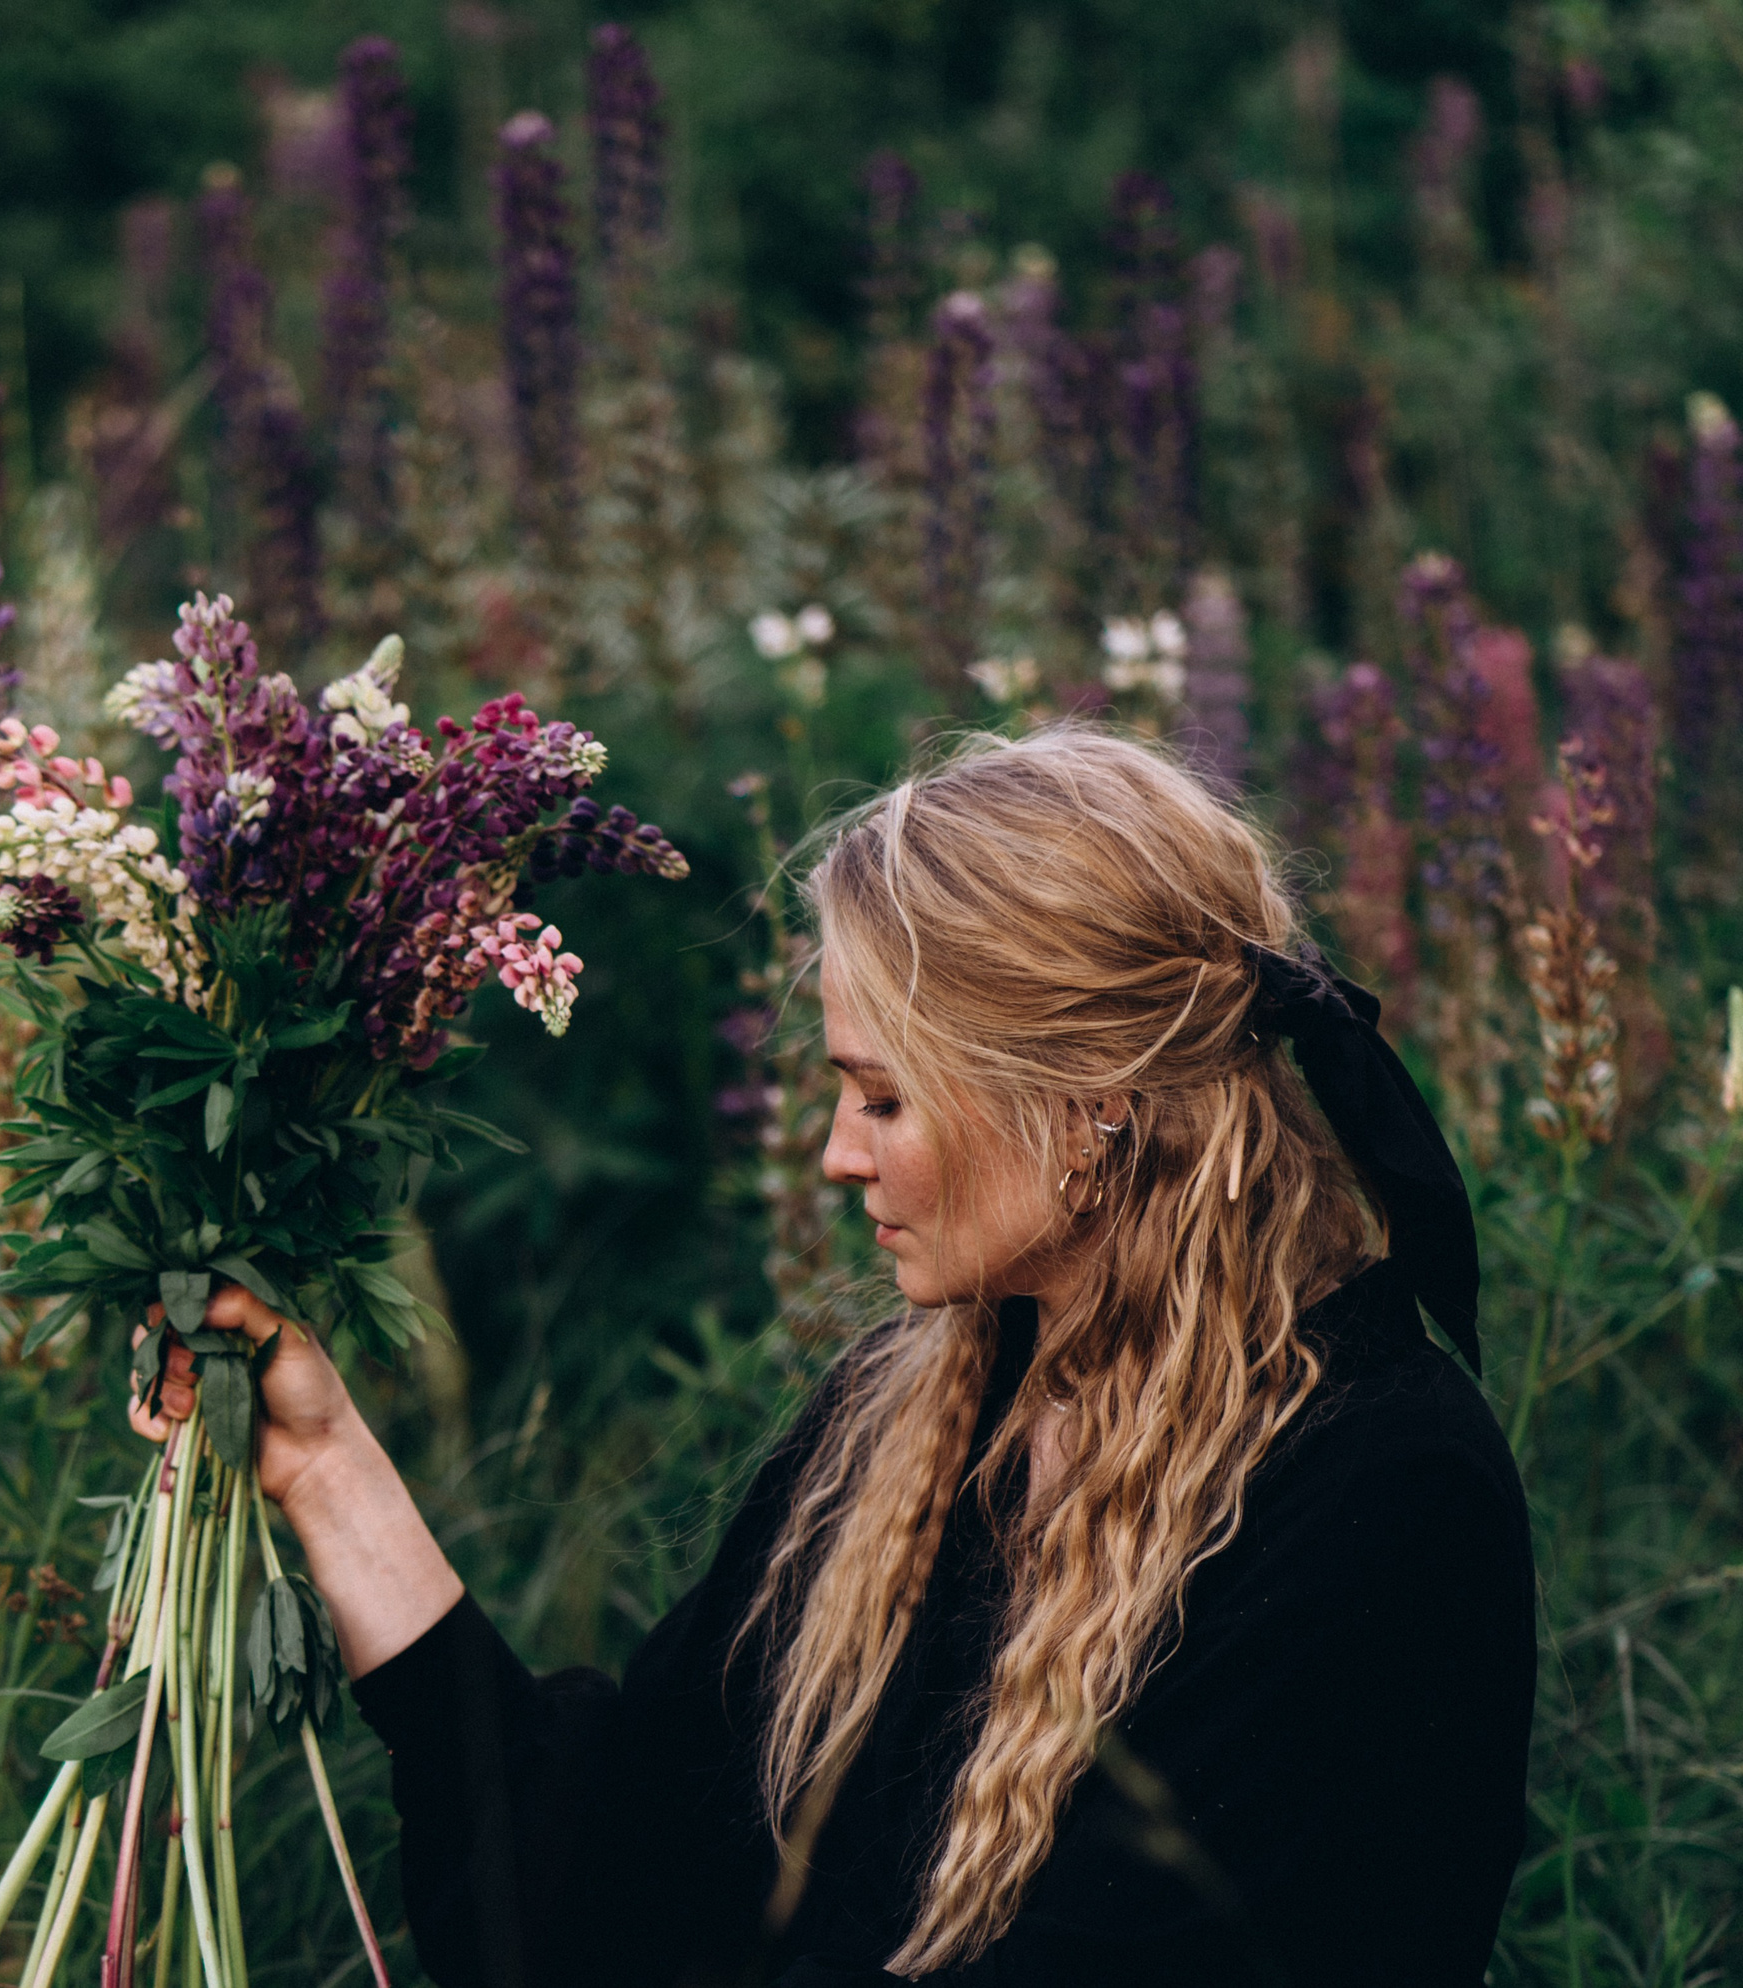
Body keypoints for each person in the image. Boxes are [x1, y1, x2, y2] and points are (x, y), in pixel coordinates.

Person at [133, 727, 1536, 1986]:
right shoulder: (912, 1424)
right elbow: (618, 1876)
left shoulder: (1382, 1490)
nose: (834, 1153)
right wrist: (326, 1468)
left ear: (1087, 1111)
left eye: (883, 1097)